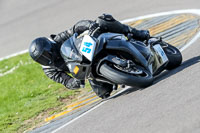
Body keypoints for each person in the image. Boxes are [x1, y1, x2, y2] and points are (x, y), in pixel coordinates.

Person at [29, 14, 150, 99]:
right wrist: (76, 80)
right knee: (103, 93)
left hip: (89, 51)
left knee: (103, 20)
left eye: (46, 54)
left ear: (50, 46)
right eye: (42, 58)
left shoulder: (58, 40)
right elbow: (66, 81)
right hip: (87, 70)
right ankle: (121, 73)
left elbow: (75, 28)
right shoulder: (50, 70)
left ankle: (137, 34)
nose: (47, 58)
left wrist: (90, 25)